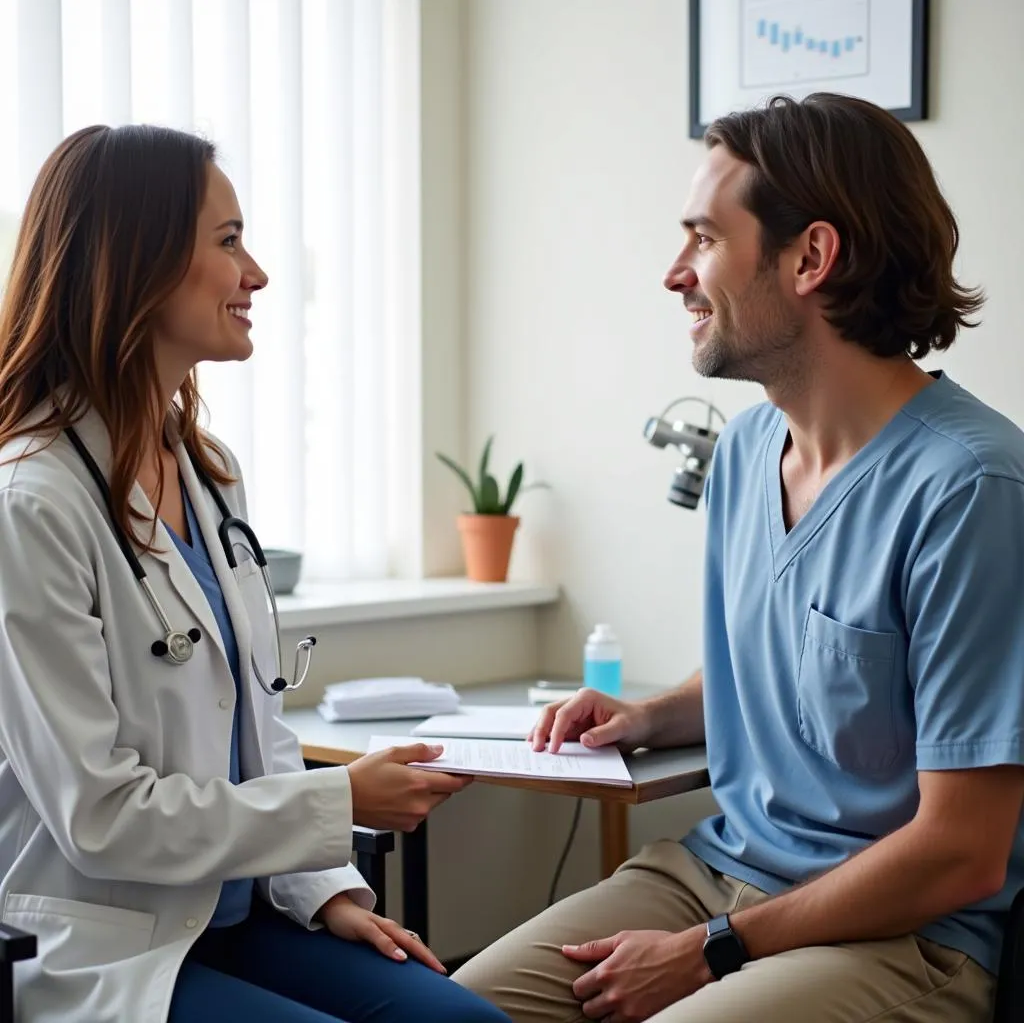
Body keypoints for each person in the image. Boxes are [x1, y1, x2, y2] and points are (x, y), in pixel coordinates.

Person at [453, 92, 1024, 1023]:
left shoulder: (969, 489)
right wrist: (650, 715)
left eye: (704, 240)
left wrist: (712, 954)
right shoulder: (749, 453)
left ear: (811, 256)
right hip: (716, 872)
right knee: (444, 1012)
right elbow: (797, 672)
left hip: (898, 933)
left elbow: (963, 849)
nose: (675, 274)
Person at [0, 124, 511, 1023]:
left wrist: (330, 889)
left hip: (239, 911)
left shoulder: (207, 471)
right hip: (110, 941)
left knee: (465, 1019)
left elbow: (258, 729)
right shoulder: (31, 505)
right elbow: (101, 817)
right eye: (228, 242)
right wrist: (343, 797)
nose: (258, 274)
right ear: (136, 262)